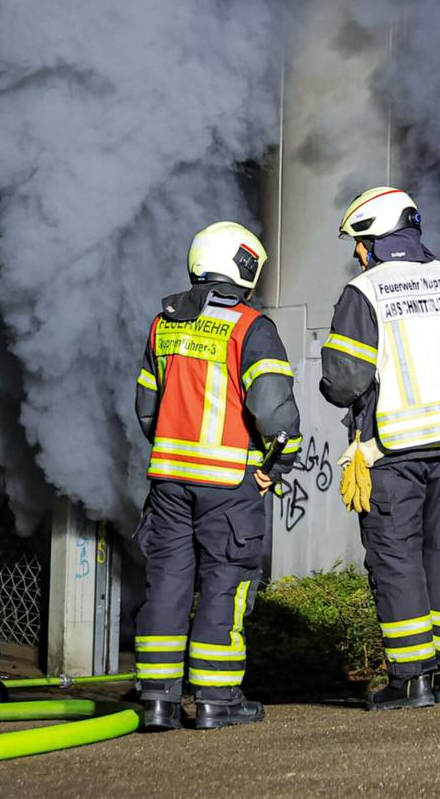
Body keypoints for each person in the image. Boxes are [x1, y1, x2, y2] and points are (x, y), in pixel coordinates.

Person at [320, 187, 440, 710]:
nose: (357, 253)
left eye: (359, 242)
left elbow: (343, 380)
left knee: (395, 558)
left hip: (393, 453)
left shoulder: (365, 292)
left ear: (375, 240)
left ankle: (410, 680)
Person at [131, 220, 301, 731]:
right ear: (246, 267)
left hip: (169, 483)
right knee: (226, 582)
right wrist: (277, 464)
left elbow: (146, 410)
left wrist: (173, 454)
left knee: (167, 582)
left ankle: (157, 699)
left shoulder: (164, 324)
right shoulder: (251, 327)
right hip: (230, 485)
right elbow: (275, 415)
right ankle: (216, 699)